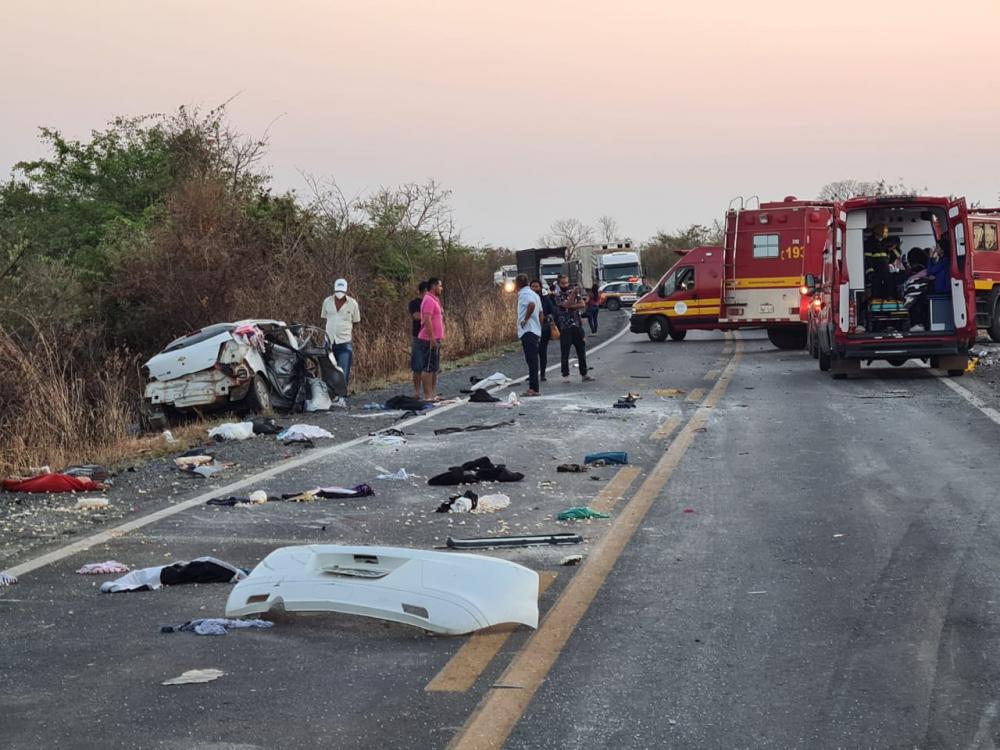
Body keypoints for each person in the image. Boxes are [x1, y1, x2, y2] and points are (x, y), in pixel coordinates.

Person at [321, 278, 361, 406]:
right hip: (329, 341)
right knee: (329, 369)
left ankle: (342, 396)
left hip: (344, 341)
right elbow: (325, 318)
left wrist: (346, 330)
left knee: (343, 369)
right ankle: (330, 396)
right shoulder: (327, 301)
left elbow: (356, 321)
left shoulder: (352, 303)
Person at [554, 274, 594, 383]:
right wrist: (573, 295)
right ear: (559, 284)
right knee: (565, 352)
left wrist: (571, 304)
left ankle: (584, 373)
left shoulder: (574, 292)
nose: (565, 285)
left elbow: (582, 304)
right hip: (565, 327)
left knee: (581, 351)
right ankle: (565, 375)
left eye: (567, 283)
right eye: (563, 283)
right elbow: (565, 305)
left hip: (577, 325)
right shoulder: (557, 294)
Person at [418, 277, 445, 401]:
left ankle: (433, 393)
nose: (441, 288)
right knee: (428, 367)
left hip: (437, 338)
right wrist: (432, 338)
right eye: (439, 286)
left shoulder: (435, 300)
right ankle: (427, 394)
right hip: (428, 339)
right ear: (433, 286)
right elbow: (427, 320)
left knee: (434, 367)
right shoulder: (428, 300)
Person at [516, 274, 542, 396]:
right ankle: (534, 386)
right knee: (533, 360)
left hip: (528, 330)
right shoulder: (535, 294)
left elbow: (531, 305)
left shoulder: (524, 294)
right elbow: (541, 313)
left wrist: (525, 319)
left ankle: (533, 388)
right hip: (535, 330)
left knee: (531, 360)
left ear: (517, 284)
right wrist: (540, 328)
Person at [532, 279, 557, 381]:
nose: (534, 288)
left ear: (540, 288)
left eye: (536, 286)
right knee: (532, 354)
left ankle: (542, 374)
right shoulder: (527, 299)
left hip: (544, 329)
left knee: (542, 352)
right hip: (531, 329)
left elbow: (553, 311)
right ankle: (532, 374)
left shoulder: (545, 299)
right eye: (532, 286)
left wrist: (547, 317)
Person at [408, 281, 429, 398]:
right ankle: (416, 391)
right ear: (425, 290)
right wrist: (429, 316)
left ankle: (430, 391)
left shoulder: (433, 301)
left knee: (431, 367)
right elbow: (416, 316)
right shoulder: (414, 303)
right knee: (417, 366)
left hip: (431, 337)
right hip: (418, 337)